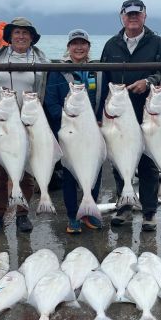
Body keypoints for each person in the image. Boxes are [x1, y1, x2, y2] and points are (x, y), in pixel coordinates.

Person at [98, 0, 161, 232]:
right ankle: (124, 206)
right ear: (121, 17)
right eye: (128, 15)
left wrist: (149, 82)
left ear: (144, 17)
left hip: (149, 113)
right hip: (119, 116)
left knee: (148, 164)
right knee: (121, 162)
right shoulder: (111, 45)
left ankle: (149, 212)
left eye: (137, 14)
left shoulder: (158, 43)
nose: (132, 18)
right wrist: (101, 113)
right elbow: (104, 80)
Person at [0, 17, 49, 233]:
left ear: (32, 38)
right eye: (17, 32)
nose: (21, 36)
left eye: (26, 33)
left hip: (28, 124)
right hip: (1, 124)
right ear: (9, 36)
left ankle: (22, 213)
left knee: (26, 172)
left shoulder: (40, 62)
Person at [44, 29, 103, 234]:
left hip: (94, 131)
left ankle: (90, 212)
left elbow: (104, 99)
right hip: (69, 131)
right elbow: (50, 102)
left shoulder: (99, 70)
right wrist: (67, 120)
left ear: (88, 47)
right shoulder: (57, 71)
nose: (79, 47)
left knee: (95, 171)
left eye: (83, 43)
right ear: (68, 47)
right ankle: (72, 217)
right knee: (69, 173)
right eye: (75, 44)